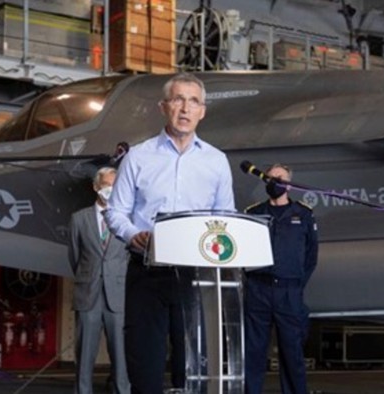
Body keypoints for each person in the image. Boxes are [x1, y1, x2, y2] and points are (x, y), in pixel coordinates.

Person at [106, 73, 235, 394]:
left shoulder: (217, 162)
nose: (185, 108)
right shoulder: (138, 156)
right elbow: (116, 212)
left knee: (192, 369)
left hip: (198, 277)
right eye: (178, 99)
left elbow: (226, 219)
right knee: (145, 367)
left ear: (202, 111)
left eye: (193, 101)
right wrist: (133, 234)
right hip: (147, 274)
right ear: (164, 107)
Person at [243, 164, 319, 394]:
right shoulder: (253, 213)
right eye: (270, 177)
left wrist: (295, 284)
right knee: (254, 353)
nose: (274, 181)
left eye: (280, 178)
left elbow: (310, 256)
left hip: (289, 292)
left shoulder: (303, 214)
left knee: (292, 354)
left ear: (289, 184)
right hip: (258, 290)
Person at [68, 166, 130, 394]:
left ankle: (122, 391)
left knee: (121, 355)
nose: (110, 191)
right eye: (106, 186)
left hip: (118, 296)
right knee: (84, 355)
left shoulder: (127, 219)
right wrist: (90, 276)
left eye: (115, 186)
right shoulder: (79, 219)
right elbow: (75, 257)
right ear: (96, 187)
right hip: (88, 295)